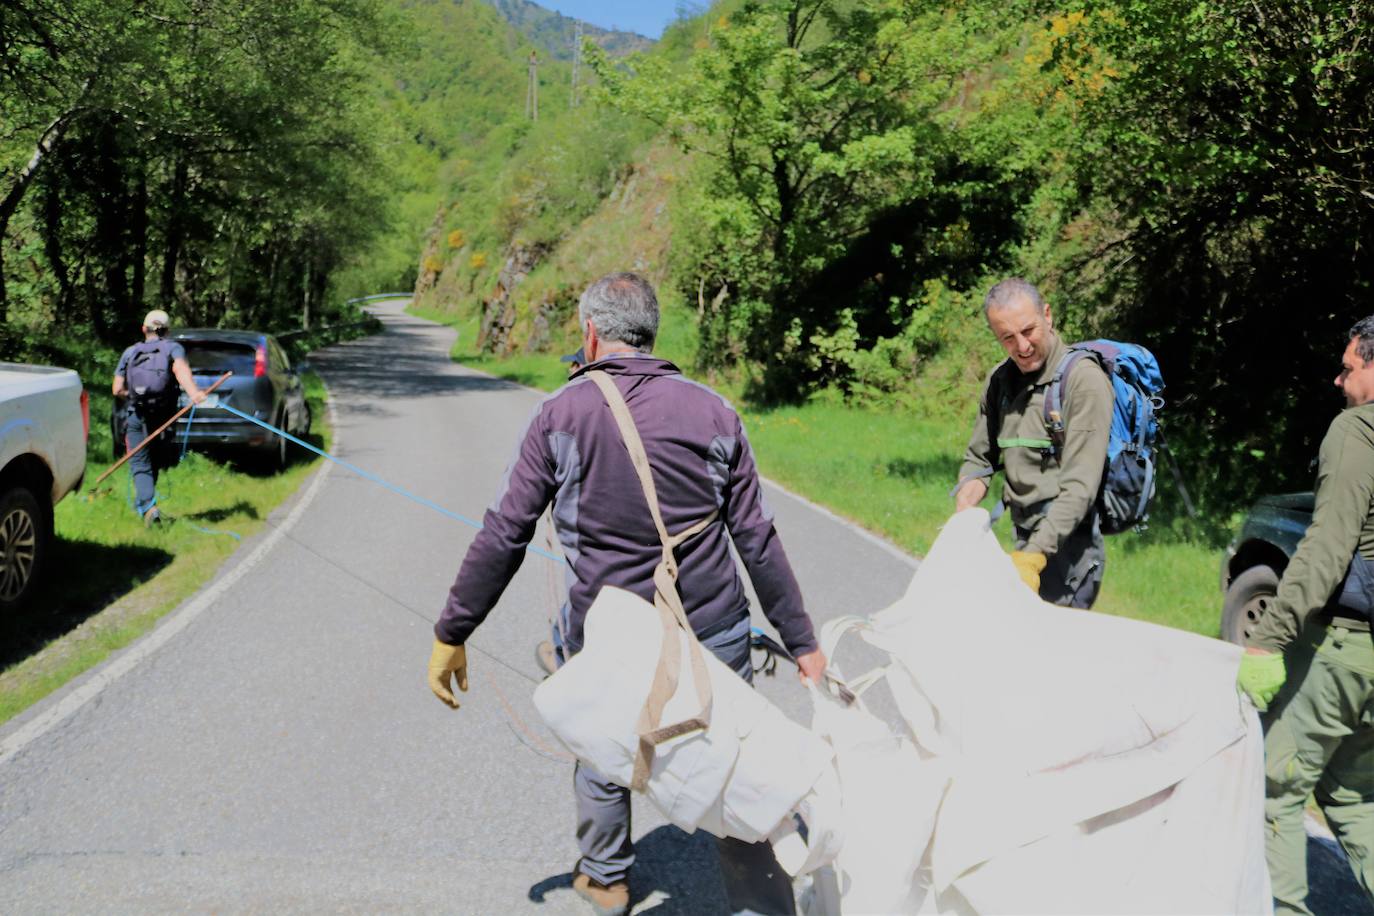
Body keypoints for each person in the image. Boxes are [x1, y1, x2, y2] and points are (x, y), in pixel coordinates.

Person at [426, 272, 826, 916]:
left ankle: (607, 878)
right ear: (650, 332)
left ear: (590, 332)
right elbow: (758, 540)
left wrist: (453, 631)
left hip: (608, 632)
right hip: (713, 626)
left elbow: (504, 532)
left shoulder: (560, 415)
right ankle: (758, 904)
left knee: (604, 745)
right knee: (737, 764)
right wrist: (803, 642)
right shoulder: (715, 411)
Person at [1237, 317, 1374, 914]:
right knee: (1353, 795)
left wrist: (1267, 640)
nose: (1338, 381)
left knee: (1275, 789)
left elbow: (1326, 546)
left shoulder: (1358, 430)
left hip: (1341, 650)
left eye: (1349, 368)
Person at [953, 277, 1114, 608]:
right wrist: (968, 498)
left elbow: (1080, 488)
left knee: (1054, 655)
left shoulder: (1083, 382)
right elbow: (980, 458)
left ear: (1048, 315)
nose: (1022, 347)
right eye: (1008, 338)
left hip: (1071, 552)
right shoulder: (1001, 380)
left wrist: (1033, 557)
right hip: (1023, 539)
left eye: (1028, 331)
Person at [112, 310, 206, 525]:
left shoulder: (130, 352)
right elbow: (180, 369)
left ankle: (148, 507)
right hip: (164, 417)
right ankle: (148, 506)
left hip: (136, 415)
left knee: (140, 462)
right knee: (153, 461)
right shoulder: (173, 347)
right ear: (167, 330)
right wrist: (193, 392)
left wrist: (135, 395)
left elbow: (117, 388)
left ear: (143, 329)